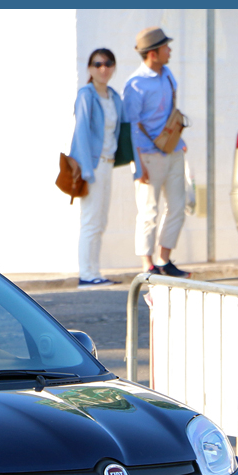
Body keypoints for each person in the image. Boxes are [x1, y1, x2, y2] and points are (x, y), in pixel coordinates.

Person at [123, 26, 190, 277]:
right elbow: (130, 127)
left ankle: (164, 260)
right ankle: (147, 264)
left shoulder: (168, 75)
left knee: (177, 207)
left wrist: (178, 142)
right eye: (165, 47)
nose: (169, 50)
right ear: (153, 53)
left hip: (172, 152)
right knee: (149, 211)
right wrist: (138, 165)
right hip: (147, 156)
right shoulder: (135, 85)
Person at [69, 48, 124, 288]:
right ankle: (86, 275)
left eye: (108, 63)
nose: (104, 68)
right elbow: (81, 132)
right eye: (98, 64)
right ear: (90, 69)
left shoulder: (114, 96)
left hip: (108, 165)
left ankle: (94, 272)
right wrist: (87, 170)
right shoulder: (86, 95)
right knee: (90, 221)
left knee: (100, 221)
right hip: (92, 166)